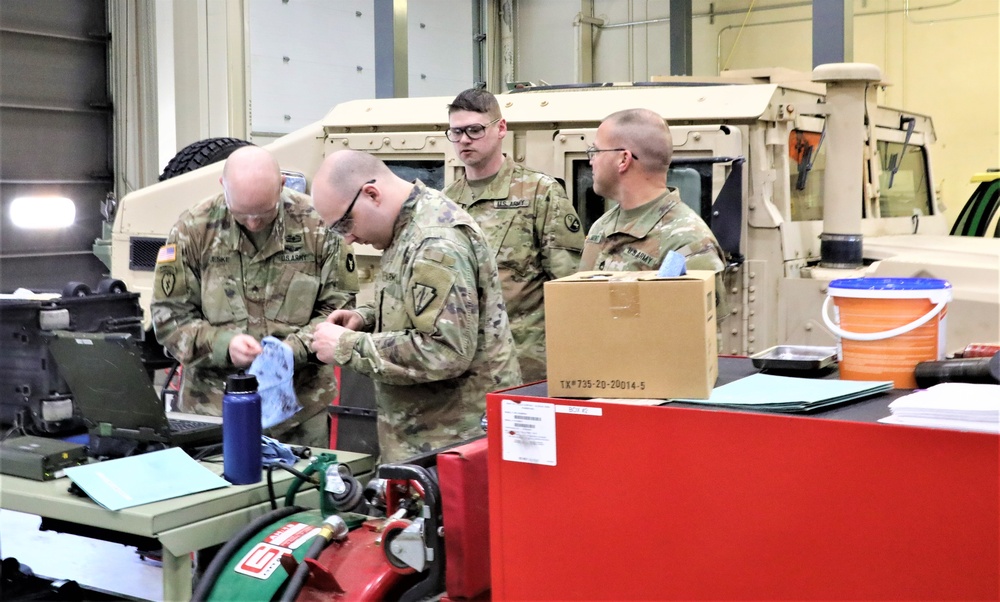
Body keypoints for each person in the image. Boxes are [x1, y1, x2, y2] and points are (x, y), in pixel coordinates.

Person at [308, 150, 522, 463]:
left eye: (344, 224)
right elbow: (422, 308)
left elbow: (445, 351)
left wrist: (348, 346)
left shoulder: (434, 240)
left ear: (371, 194)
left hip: (453, 444)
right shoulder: (408, 226)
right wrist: (365, 319)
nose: (349, 239)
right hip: (428, 440)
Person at [150, 146, 359, 447]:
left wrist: (290, 351)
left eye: (263, 212)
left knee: (302, 494)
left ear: (282, 185)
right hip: (213, 410)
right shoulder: (192, 230)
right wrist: (224, 345)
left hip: (299, 411)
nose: (253, 223)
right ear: (223, 187)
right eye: (242, 213)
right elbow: (169, 319)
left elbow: (340, 310)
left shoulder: (319, 226)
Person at [444, 88, 584, 383]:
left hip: (526, 364)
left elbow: (569, 286)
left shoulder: (539, 193)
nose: (465, 140)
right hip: (464, 368)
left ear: (501, 129)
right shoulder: (445, 203)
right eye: (456, 132)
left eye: (475, 129)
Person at [579, 108, 727, 275]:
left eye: (596, 152)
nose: (591, 161)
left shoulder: (687, 244)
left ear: (623, 159)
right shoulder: (601, 228)